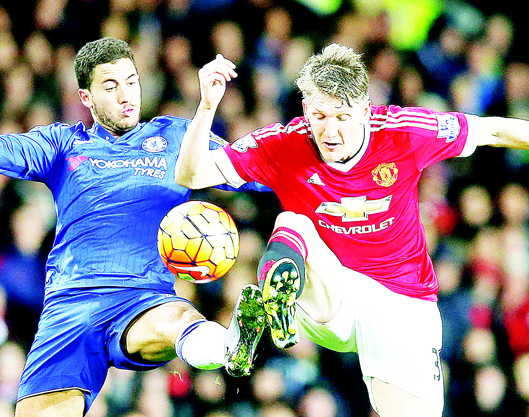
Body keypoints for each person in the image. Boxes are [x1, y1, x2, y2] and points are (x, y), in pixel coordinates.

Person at [175, 44, 529, 417]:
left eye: (342, 117)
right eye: (320, 115)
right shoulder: (282, 143)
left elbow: (492, 130)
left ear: (365, 111)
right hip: (332, 297)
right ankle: (274, 301)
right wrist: (207, 107)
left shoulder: (403, 131)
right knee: (292, 223)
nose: (330, 131)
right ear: (306, 110)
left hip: (401, 301)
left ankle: (272, 306)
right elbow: (192, 174)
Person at [0, 37, 267, 416]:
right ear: (86, 97)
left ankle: (228, 346)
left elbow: (256, 171)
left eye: (132, 81)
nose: (126, 95)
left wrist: (325, 156)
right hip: (70, 309)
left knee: (180, 319)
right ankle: (223, 345)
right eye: (111, 86)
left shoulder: (176, 137)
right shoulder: (62, 144)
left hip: (143, 299)